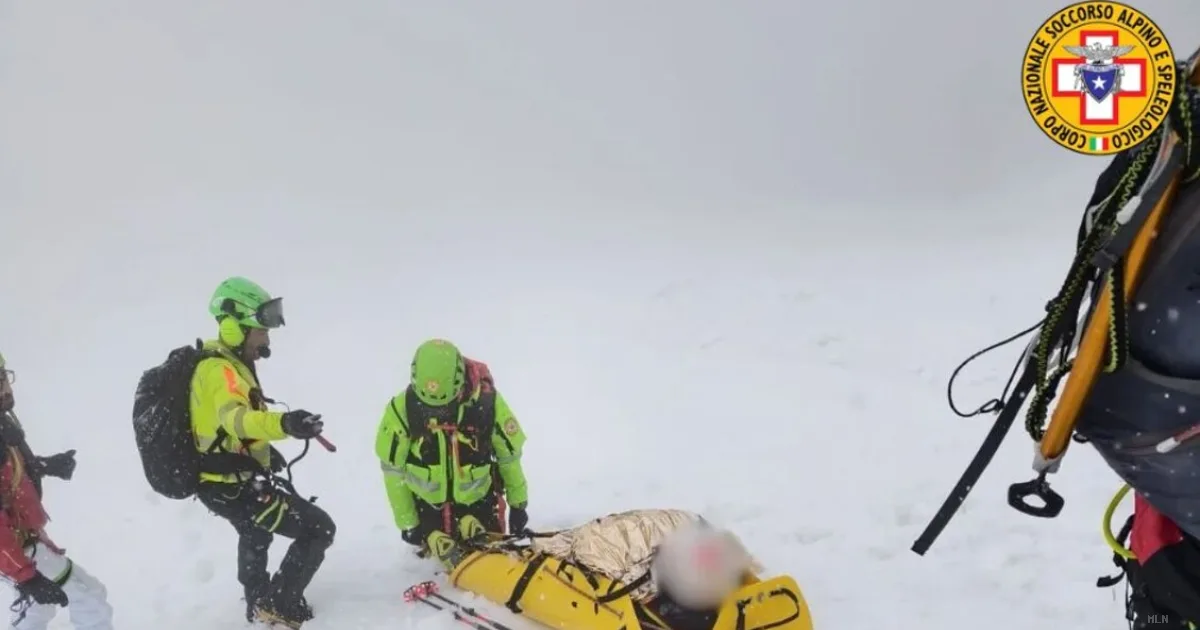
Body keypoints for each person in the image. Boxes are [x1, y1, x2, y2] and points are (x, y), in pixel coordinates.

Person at [189, 277, 334, 629]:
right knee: (318, 528)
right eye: (260, 331)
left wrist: (265, 456)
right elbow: (237, 420)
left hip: (223, 481)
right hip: (231, 486)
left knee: (255, 531)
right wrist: (286, 424)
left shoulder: (228, 365)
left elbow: (228, 429)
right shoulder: (219, 370)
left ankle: (258, 604)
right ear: (232, 327)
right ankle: (278, 607)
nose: (266, 340)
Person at [374, 338, 530, 568]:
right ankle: (437, 536)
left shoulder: (487, 404)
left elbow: (509, 457)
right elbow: (392, 471)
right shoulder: (401, 411)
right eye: (431, 407)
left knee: (489, 561)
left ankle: (471, 526)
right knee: (436, 551)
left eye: (445, 405)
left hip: (479, 501)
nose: (438, 413)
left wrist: (518, 505)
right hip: (428, 505)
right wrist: (408, 523)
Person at [0, 351, 114, 630]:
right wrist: (26, 575)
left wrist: (45, 466)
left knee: (42, 606)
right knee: (90, 597)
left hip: (25, 541)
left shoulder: (3, 421)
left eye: (3, 376)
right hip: (20, 547)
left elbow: (9, 473)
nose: (5, 387)